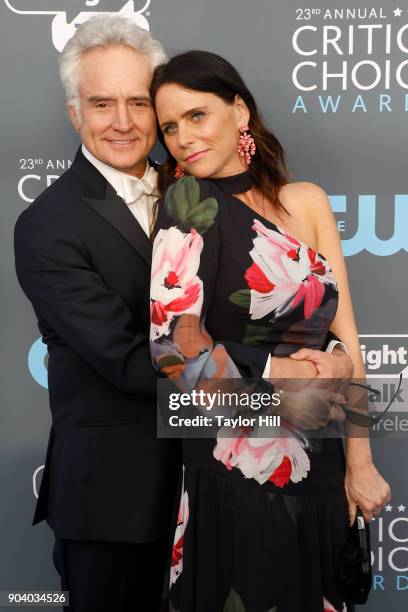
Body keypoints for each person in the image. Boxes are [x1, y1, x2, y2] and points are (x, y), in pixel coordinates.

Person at [149, 50, 391, 612]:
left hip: (320, 463)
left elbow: (348, 340)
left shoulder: (307, 202)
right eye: (169, 127)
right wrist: (280, 370)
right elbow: (171, 350)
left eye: (196, 115)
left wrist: (359, 461)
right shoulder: (186, 206)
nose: (182, 137)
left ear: (239, 112)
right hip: (236, 464)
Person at [14, 16, 178, 612]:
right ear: (74, 113)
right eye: (102, 103)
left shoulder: (202, 195)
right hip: (115, 504)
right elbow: (133, 364)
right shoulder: (48, 226)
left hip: (214, 488)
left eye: (139, 101)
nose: (124, 122)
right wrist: (275, 397)